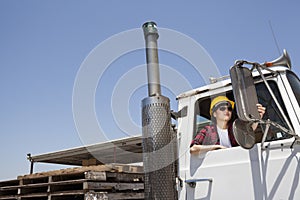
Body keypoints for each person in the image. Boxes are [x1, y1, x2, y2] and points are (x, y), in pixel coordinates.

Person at [190, 96, 266, 154]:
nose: (227, 111)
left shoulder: (236, 127)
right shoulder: (207, 130)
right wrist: (215, 147)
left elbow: (249, 133)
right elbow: (193, 149)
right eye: (222, 108)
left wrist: (257, 118)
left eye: (229, 108)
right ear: (214, 114)